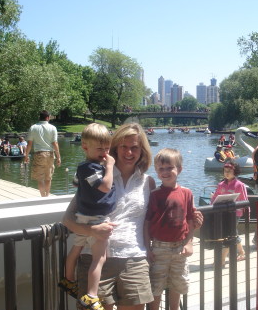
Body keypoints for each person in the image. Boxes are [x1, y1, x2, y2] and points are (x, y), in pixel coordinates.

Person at [62, 123, 203, 310]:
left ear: (142, 150)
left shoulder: (148, 182)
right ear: (114, 148)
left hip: (135, 259)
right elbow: (68, 219)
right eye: (124, 147)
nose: (129, 152)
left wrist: (191, 229)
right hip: (97, 258)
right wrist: (91, 230)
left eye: (134, 147)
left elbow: (166, 214)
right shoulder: (97, 177)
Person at [59, 123, 116, 310]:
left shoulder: (85, 167)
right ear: (85, 146)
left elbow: (77, 184)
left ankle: (68, 280)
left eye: (107, 148)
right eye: (100, 148)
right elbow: (105, 186)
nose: (105, 152)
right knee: (99, 258)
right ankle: (91, 295)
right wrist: (110, 166)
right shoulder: (89, 168)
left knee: (76, 249)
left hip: (84, 217)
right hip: (96, 218)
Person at [144, 148, 195, 310]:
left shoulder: (187, 193)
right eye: (161, 168)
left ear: (179, 169)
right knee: (156, 285)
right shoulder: (154, 195)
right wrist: (147, 248)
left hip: (180, 247)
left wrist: (189, 243)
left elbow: (191, 219)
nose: (165, 172)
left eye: (169, 168)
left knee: (177, 283)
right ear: (156, 171)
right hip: (159, 247)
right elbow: (146, 223)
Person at [210, 159, 248, 266]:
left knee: (228, 234)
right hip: (223, 213)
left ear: (235, 172)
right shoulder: (221, 184)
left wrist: (246, 213)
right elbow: (214, 197)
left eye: (229, 171)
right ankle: (242, 252)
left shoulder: (240, 185)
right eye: (225, 171)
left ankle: (221, 260)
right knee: (233, 232)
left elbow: (245, 200)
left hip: (235, 213)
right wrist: (212, 205)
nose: (226, 173)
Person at [24, 110, 61, 197]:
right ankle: (47, 196)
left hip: (39, 154)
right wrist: (58, 157)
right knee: (48, 178)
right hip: (50, 154)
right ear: (47, 117)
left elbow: (29, 144)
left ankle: (43, 197)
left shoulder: (33, 127)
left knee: (40, 179)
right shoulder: (53, 128)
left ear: (39, 117)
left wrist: (26, 156)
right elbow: (55, 143)